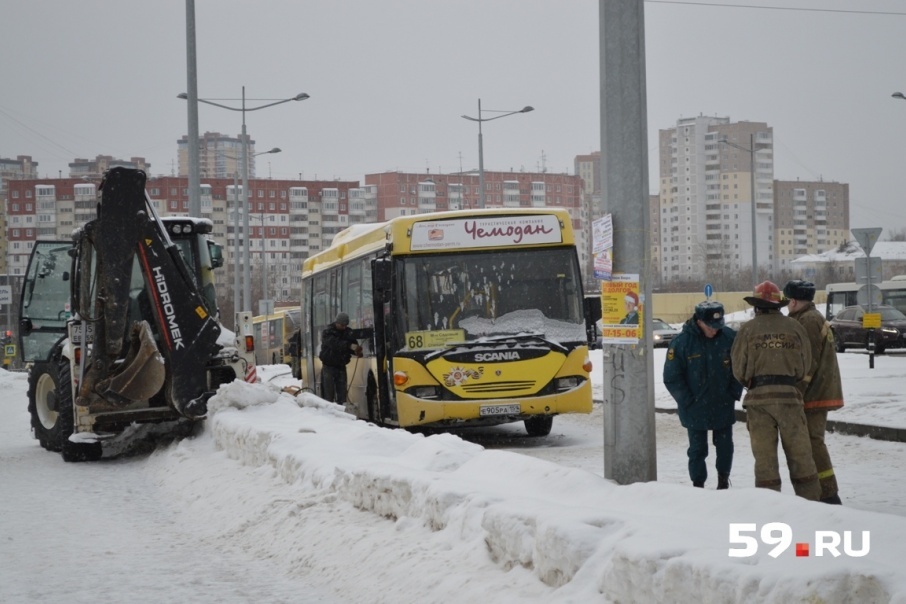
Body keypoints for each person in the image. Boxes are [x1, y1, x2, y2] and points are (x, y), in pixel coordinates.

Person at [730, 281, 821, 501]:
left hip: (758, 402)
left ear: (756, 306)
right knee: (801, 456)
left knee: (765, 460)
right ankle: (811, 503)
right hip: (790, 399)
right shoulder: (795, 327)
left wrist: (756, 382)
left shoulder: (747, 330)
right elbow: (806, 364)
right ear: (778, 305)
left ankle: (769, 506)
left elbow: (738, 368)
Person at [664, 301, 743, 489]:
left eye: (718, 325)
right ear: (699, 321)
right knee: (697, 450)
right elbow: (672, 377)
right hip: (695, 408)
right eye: (710, 326)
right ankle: (698, 484)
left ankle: (723, 480)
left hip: (723, 405)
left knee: (725, 448)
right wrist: (688, 402)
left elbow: (740, 368)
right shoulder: (682, 343)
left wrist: (733, 393)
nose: (714, 330)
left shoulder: (729, 338)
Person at [783, 279, 845, 505]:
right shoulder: (811, 317)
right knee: (812, 442)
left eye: (788, 300)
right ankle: (824, 492)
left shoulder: (808, 320)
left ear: (794, 301)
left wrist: (797, 391)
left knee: (813, 442)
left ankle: (828, 493)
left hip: (814, 394)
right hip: (819, 391)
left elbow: (807, 361)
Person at [319, 312, 363, 404]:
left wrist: (356, 351)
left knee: (342, 395)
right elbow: (335, 344)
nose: (344, 327)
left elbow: (352, 345)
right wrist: (350, 346)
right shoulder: (328, 332)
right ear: (337, 322)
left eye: (345, 325)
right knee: (328, 395)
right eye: (342, 325)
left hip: (341, 366)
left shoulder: (348, 332)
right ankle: (329, 413)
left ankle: (341, 411)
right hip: (328, 366)